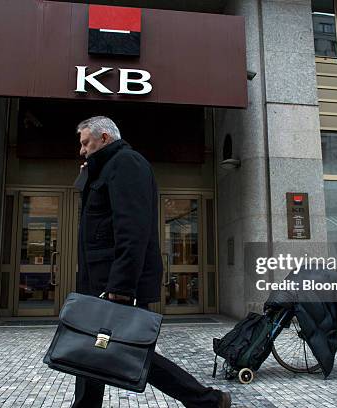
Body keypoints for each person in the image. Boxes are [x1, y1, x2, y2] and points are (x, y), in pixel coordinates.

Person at [73, 116, 231, 408]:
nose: (82, 150)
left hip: (115, 285)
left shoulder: (126, 164)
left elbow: (133, 230)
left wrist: (121, 287)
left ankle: (206, 400)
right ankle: (206, 401)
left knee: (128, 352)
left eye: (85, 142)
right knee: (92, 350)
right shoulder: (104, 169)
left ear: (104, 137)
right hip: (100, 284)